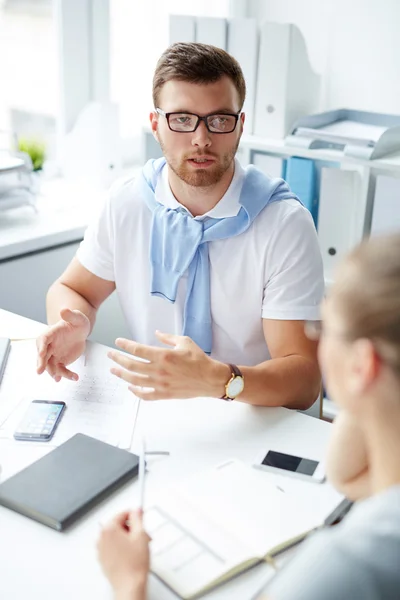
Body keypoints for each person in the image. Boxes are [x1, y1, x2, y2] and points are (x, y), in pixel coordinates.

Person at [97, 232, 400, 600]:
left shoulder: (345, 564)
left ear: (363, 364)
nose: (315, 340)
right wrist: (364, 395)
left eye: (323, 328)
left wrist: (129, 582)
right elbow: (348, 476)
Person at [36, 42, 323, 409]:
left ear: (239, 126)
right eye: (182, 120)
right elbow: (73, 290)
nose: (201, 139)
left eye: (219, 120)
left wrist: (219, 381)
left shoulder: (284, 225)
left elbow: (303, 380)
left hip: (252, 414)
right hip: (156, 411)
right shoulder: (126, 201)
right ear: (156, 124)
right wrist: (73, 324)